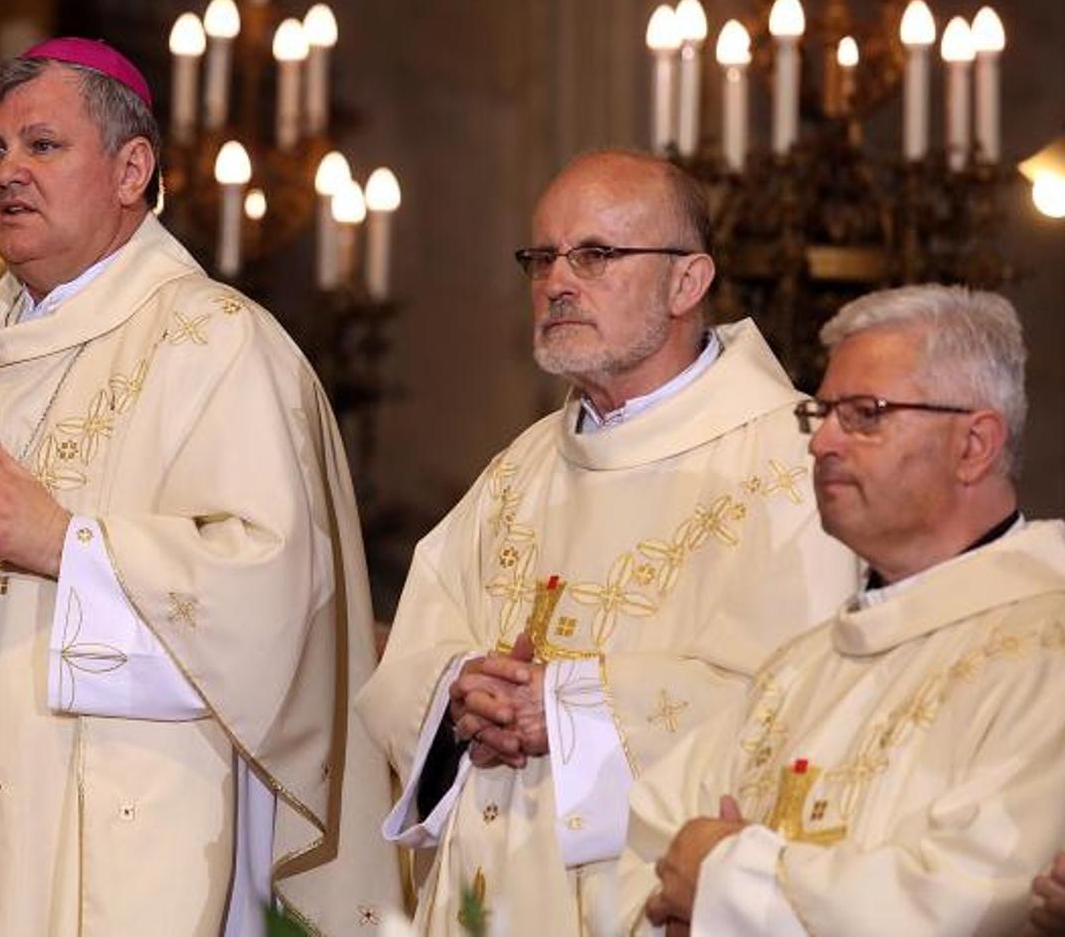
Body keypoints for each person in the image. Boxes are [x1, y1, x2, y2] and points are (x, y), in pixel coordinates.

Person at [0, 38, 400, 934]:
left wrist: (59, 541)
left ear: (130, 170)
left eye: (42, 145)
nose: (6, 172)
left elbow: (270, 596)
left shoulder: (215, 343)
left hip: (125, 841)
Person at [355, 149, 854, 934]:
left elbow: (802, 700)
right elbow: (413, 649)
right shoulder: (521, 468)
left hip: (646, 895)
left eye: (594, 255)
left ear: (686, 282)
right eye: (542, 257)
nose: (557, 281)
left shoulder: (791, 465)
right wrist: (459, 691)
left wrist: (567, 710)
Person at [609, 284, 1065, 936]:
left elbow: (971, 899)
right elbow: (655, 843)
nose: (821, 442)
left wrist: (724, 885)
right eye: (821, 413)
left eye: (864, 414)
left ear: (973, 445)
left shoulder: (1044, 650)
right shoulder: (802, 666)